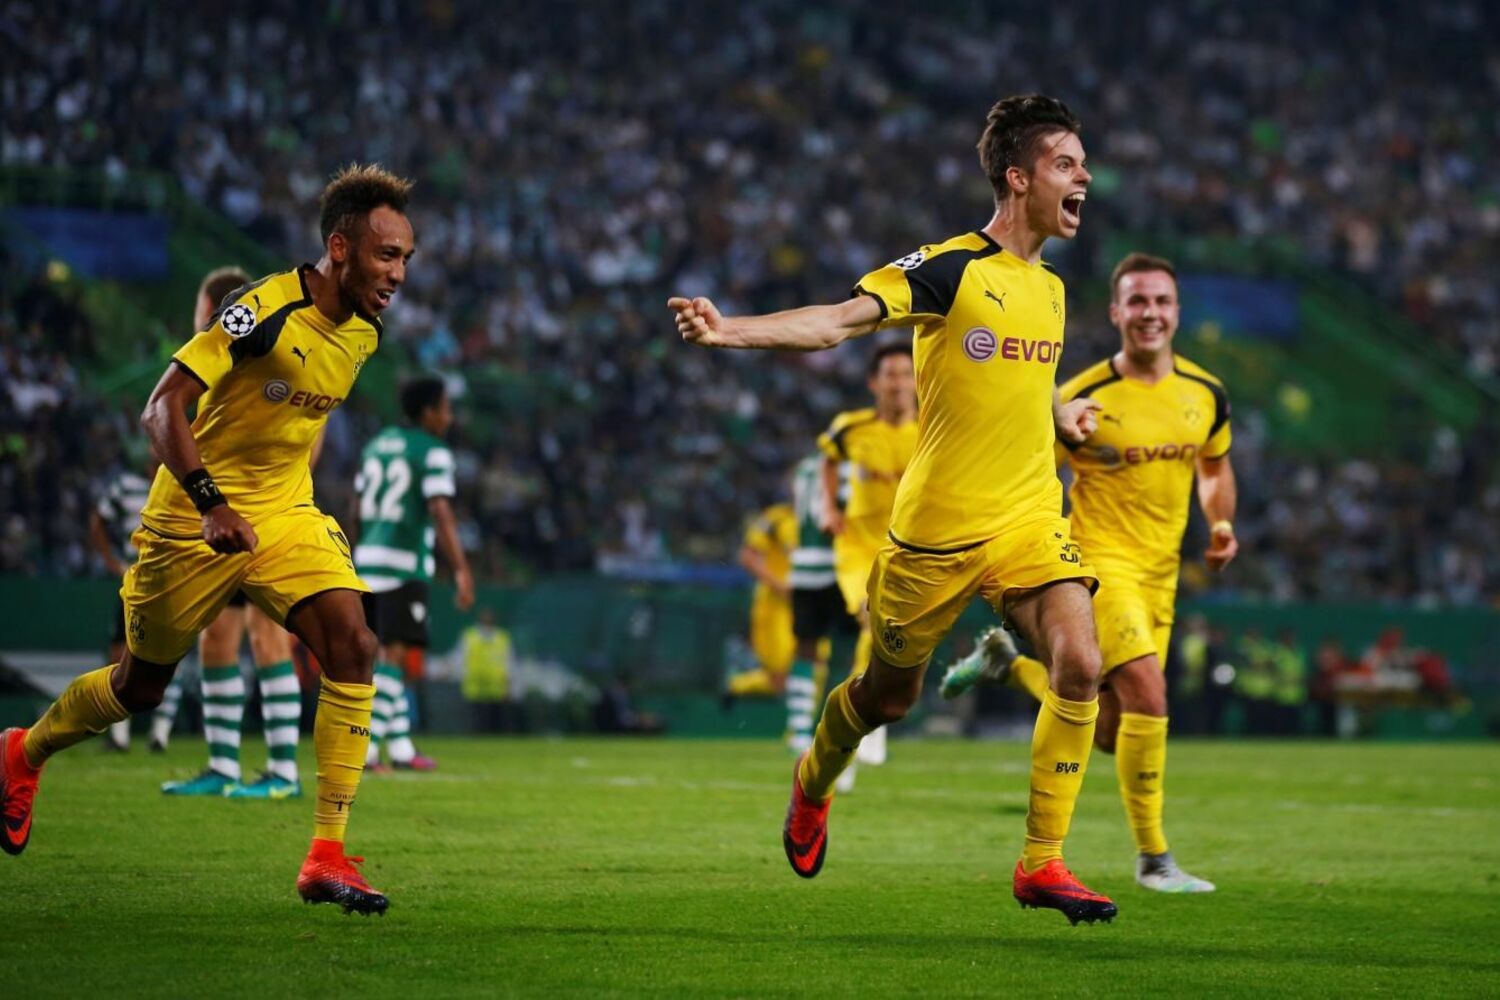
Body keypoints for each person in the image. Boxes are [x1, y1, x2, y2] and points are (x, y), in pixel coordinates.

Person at [671, 94, 1115, 924]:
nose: (1084, 177)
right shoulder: (949, 268)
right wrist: (731, 331)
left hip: (1027, 520)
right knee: (886, 700)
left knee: (1081, 663)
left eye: (1083, 164)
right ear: (1018, 178)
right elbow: (837, 321)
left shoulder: (1052, 290)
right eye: (1066, 163)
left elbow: (1017, 387)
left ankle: (1042, 862)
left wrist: (1060, 414)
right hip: (934, 534)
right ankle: (812, 782)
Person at [0, 164, 415, 916]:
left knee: (354, 645)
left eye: (407, 259)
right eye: (387, 255)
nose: (399, 274)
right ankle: (21, 753)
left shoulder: (366, 332)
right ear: (340, 247)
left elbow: (291, 426)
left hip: (283, 515)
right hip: (193, 520)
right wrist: (210, 503)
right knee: (139, 688)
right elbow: (161, 409)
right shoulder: (260, 312)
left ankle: (326, 854)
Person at [939, 251, 1238, 894]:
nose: (1150, 313)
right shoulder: (1084, 396)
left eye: (1161, 301)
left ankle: (1007, 666)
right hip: (1100, 563)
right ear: (1115, 312)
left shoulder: (1205, 393)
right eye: (1137, 301)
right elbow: (1028, 465)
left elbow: (1214, 466)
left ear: (1177, 312)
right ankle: (1154, 859)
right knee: (1151, 693)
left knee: (1110, 731)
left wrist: (1220, 524)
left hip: (1162, 576)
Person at [149, 267, 308, 800]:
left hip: (265, 516)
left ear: (216, 307)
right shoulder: (211, 364)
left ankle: (283, 771)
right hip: (216, 517)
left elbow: (305, 442)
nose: (197, 319)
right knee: (216, 638)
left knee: (268, 636)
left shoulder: (273, 353)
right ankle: (222, 764)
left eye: (201, 308)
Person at [354, 375, 475, 771]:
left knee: (387, 654)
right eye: (445, 409)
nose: (449, 418)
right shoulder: (432, 451)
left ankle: (402, 747)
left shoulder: (376, 445)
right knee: (394, 653)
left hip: (366, 556)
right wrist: (461, 569)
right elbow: (439, 509)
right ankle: (366, 749)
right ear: (428, 412)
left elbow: (355, 506)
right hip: (403, 562)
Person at [814, 342, 918, 783]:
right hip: (858, 546)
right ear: (874, 383)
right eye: (890, 374)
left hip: (908, 549)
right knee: (869, 617)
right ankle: (866, 720)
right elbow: (828, 460)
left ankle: (862, 713)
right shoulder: (850, 428)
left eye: (906, 374)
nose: (899, 383)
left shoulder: (933, 429)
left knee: (895, 636)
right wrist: (828, 507)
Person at [784, 454, 856, 756]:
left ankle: (799, 728)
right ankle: (835, 725)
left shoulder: (804, 467)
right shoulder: (850, 467)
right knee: (848, 650)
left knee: (805, 649)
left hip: (803, 566)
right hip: (839, 567)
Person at [88, 449, 156, 753]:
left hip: (171, 581)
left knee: (173, 656)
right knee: (120, 651)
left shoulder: (184, 481)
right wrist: (110, 561)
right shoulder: (127, 486)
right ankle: (119, 733)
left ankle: (160, 732)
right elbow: (98, 519)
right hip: (135, 581)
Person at [725, 500, 797, 700]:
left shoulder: (826, 518)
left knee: (815, 667)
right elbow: (747, 556)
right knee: (780, 680)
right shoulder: (776, 518)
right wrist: (779, 586)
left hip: (810, 604)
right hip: (775, 607)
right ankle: (736, 686)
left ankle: (803, 722)